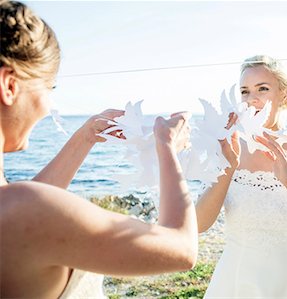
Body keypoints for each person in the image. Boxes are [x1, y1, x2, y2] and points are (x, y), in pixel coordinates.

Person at [0, 1, 197, 297]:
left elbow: (23, 209)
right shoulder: (25, 211)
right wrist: (167, 147)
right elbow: (182, 248)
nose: (49, 105)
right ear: (10, 86)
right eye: (49, 88)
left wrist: (84, 138)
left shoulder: (18, 210)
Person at [196, 55, 287, 298]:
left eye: (263, 88)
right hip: (235, 279)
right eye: (244, 91)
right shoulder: (228, 148)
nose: (252, 99)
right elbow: (199, 224)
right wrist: (229, 166)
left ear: (285, 95)